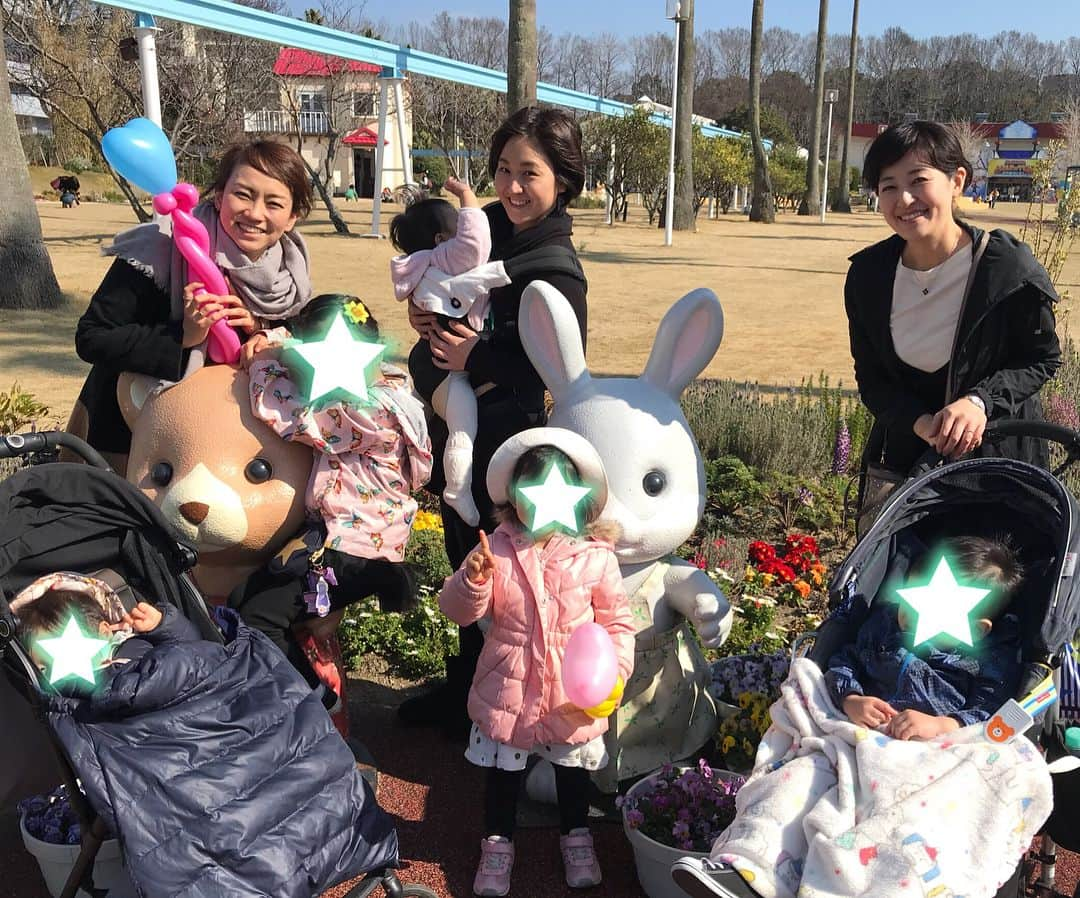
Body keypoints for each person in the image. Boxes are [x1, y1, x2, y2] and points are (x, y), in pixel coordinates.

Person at [670, 534, 1028, 898]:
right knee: (795, 782)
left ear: (978, 628)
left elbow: (991, 707)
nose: (912, 617)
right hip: (856, 736)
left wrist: (942, 724)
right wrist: (852, 698)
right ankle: (749, 868)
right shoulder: (886, 626)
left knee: (903, 827)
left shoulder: (987, 658)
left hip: (929, 757)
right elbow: (845, 661)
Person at [398, 105, 589, 738]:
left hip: (513, 440)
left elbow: (559, 365)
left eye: (528, 173)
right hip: (465, 426)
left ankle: (506, 709)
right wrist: (426, 324)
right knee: (466, 559)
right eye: (503, 169)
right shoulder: (492, 241)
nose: (510, 187)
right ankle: (467, 690)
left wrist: (474, 353)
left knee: (503, 571)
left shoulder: (553, 264)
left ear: (562, 179)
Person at [438, 430, 635, 896]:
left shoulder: (595, 557)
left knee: (572, 772)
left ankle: (576, 836)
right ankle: (498, 843)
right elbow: (459, 610)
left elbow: (617, 623)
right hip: (509, 684)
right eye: (532, 492)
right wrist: (473, 581)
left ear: (580, 500)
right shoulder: (498, 550)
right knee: (503, 774)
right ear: (513, 499)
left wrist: (615, 673)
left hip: (571, 690)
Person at [229, 294, 432, 700]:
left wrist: (265, 362)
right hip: (363, 541)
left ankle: (313, 698)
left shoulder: (363, 413)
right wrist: (281, 339)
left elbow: (285, 413)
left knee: (254, 615)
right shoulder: (392, 388)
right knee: (264, 604)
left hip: (347, 547)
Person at [845, 121, 1060, 502]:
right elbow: (873, 380)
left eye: (918, 179)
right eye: (888, 185)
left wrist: (980, 402)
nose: (904, 199)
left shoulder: (1006, 270)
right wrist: (921, 423)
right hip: (907, 470)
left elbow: (1039, 358)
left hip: (997, 471)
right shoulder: (868, 276)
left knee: (993, 563)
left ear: (956, 180)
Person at [71, 140, 315, 474]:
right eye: (243, 194)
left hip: (232, 461)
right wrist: (183, 336)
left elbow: (310, 336)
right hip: (133, 445)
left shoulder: (290, 272)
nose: (255, 214)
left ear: (291, 218)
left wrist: (263, 333)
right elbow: (92, 337)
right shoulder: (159, 248)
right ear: (219, 194)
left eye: (273, 203)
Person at [389, 176, 511, 527]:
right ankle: (458, 487)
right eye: (456, 228)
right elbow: (475, 244)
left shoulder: (426, 263)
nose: (465, 230)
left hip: (433, 361)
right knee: (463, 424)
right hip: (443, 365)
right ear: (442, 241)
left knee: (435, 417)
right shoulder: (445, 258)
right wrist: (466, 195)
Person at [12, 572, 201, 695]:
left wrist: (164, 624)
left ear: (104, 633)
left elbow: (195, 652)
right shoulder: (69, 697)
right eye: (43, 668)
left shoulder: (139, 643)